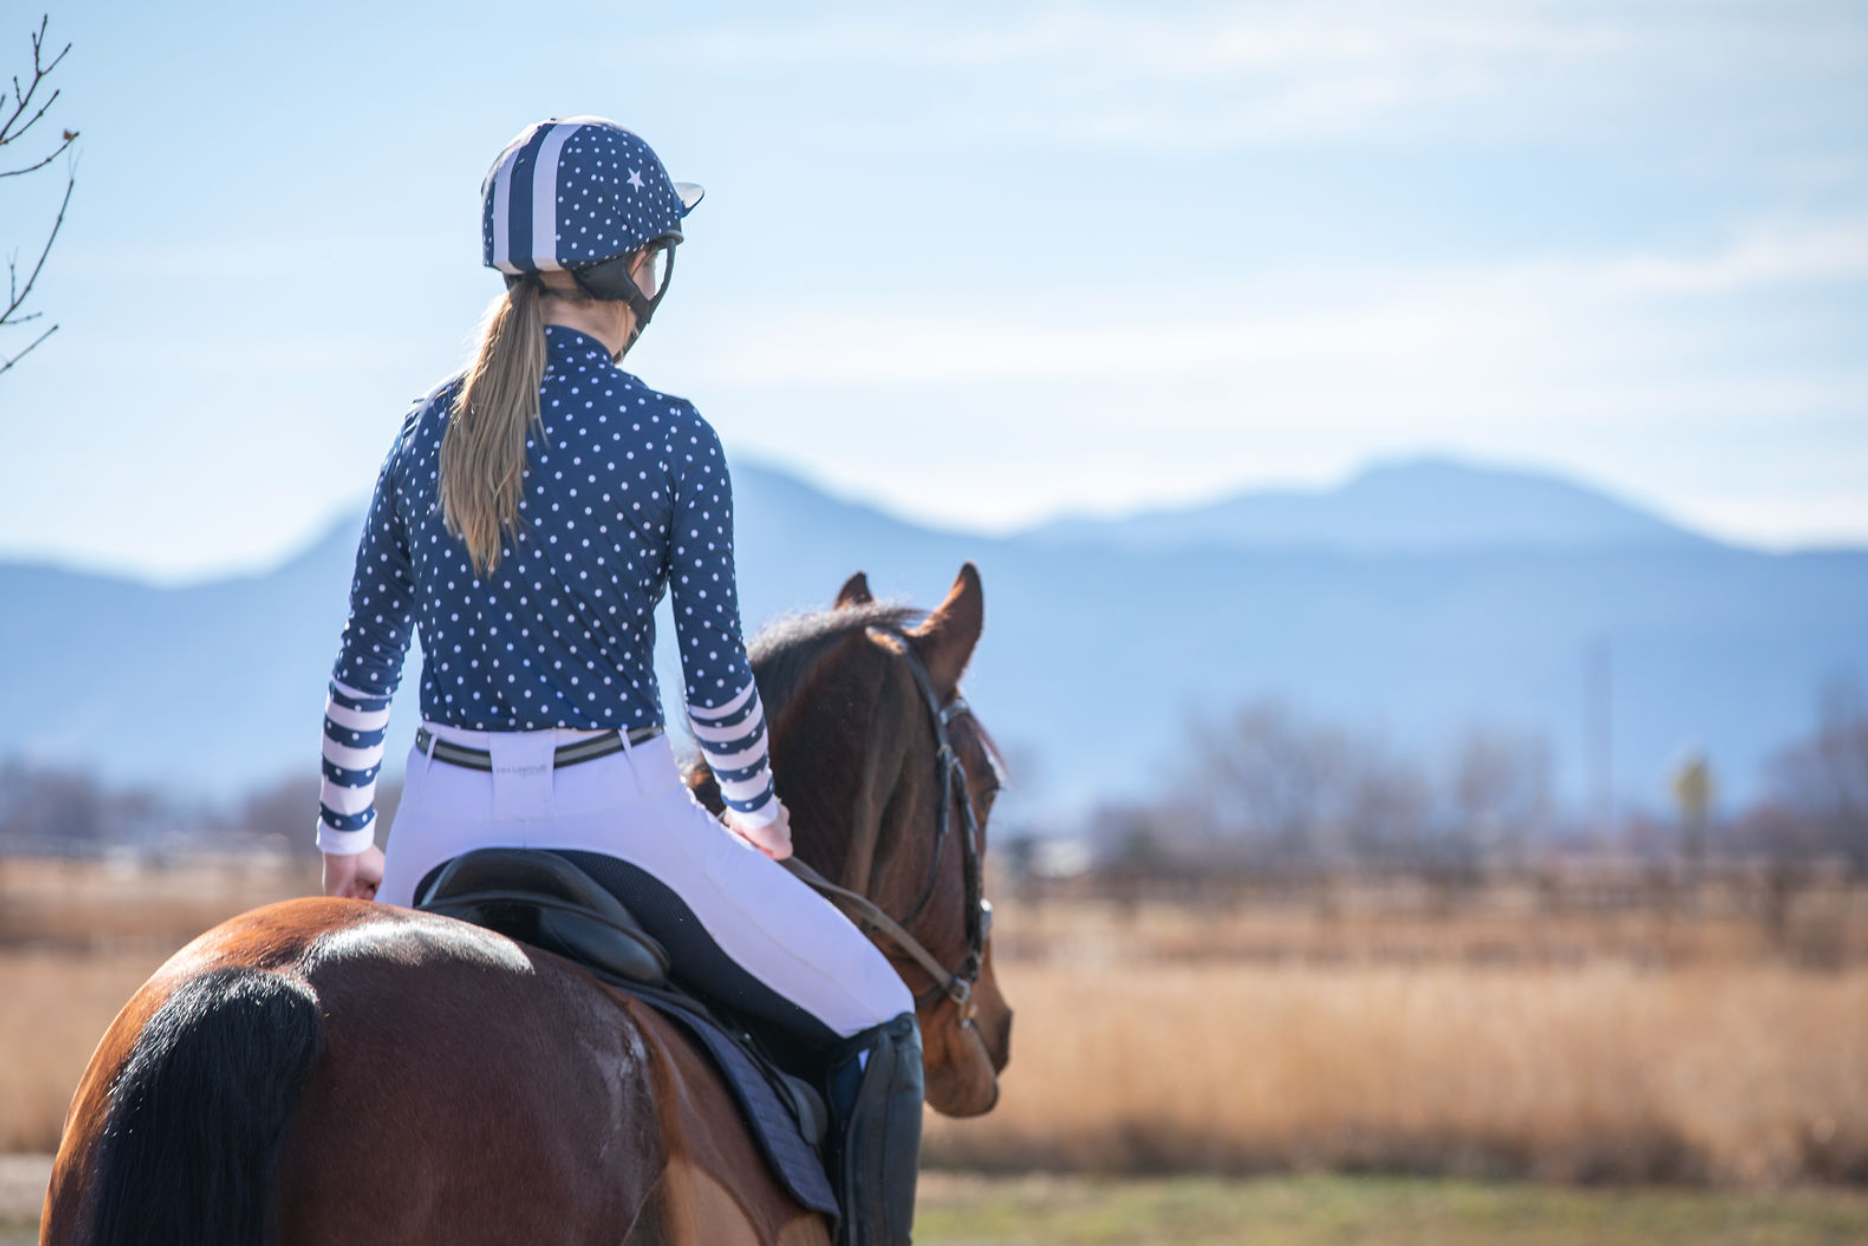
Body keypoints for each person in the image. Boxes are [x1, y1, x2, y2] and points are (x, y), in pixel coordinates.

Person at [312, 115, 921, 1245]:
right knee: (882, 1017)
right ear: (634, 268)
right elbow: (714, 696)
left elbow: (361, 674)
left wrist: (347, 837)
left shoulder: (421, 433)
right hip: (622, 820)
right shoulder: (671, 436)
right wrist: (757, 814)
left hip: (440, 821)